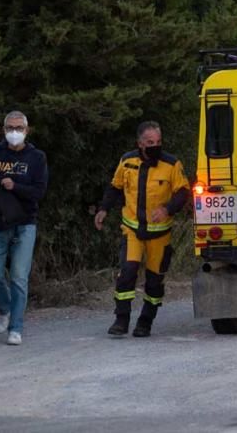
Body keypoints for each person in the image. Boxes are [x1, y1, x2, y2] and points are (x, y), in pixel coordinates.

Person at [94, 121, 190, 337]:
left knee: (155, 281)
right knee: (127, 272)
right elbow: (115, 187)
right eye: (150, 142)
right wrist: (103, 209)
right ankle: (121, 319)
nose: (155, 145)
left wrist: (167, 209)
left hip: (160, 234)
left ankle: (145, 321)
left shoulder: (171, 164)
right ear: (140, 143)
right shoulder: (127, 161)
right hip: (132, 231)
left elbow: (183, 192)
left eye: (158, 142)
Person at [0, 110, 49, 346]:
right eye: (10, 128)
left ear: (27, 131)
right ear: (3, 130)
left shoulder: (36, 157)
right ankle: (5, 308)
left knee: (19, 276)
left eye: (19, 128)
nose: (14, 132)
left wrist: (14, 186)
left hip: (25, 223)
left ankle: (16, 327)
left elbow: (39, 192)